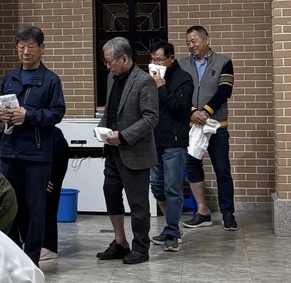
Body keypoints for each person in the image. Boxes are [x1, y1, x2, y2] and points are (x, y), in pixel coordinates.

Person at [0, 26, 65, 265]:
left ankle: (31, 260)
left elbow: (57, 113)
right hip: (9, 150)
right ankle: (11, 255)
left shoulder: (51, 80)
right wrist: (1, 115)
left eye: (31, 47)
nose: (25, 52)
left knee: (36, 208)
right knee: (7, 204)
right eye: (21, 47)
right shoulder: (10, 77)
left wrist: (29, 115)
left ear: (41, 49)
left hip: (36, 153)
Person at [95, 37, 159, 265]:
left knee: (138, 202)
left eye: (110, 61)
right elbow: (110, 111)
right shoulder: (112, 78)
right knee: (110, 193)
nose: (107, 66)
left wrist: (122, 136)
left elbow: (151, 118)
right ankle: (120, 242)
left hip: (135, 151)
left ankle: (141, 247)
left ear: (124, 59)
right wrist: (101, 129)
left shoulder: (144, 81)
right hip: (112, 151)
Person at [179, 26, 237, 231]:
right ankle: (203, 212)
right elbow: (178, 93)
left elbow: (225, 90)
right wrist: (192, 112)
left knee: (222, 169)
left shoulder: (224, 62)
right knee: (192, 167)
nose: (191, 45)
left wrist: (205, 111)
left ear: (206, 40)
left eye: (194, 41)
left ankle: (228, 213)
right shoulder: (182, 65)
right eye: (188, 42)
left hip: (216, 126)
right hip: (191, 126)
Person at [148, 41, 194, 253]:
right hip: (153, 140)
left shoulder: (183, 79)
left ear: (171, 59)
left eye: (159, 60)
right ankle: (171, 227)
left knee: (172, 187)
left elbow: (179, 108)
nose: (155, 64)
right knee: (157, 186)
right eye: (152, 60)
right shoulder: (150, 78)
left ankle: (172, 232)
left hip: (175, 142)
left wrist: (161, 86)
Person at [40, 126, 70, 262]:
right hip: (36, 163)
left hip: (53, 163)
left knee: (49, 199)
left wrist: (48, 178)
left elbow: (58, 159)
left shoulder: (55, 135)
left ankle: (49, 247)